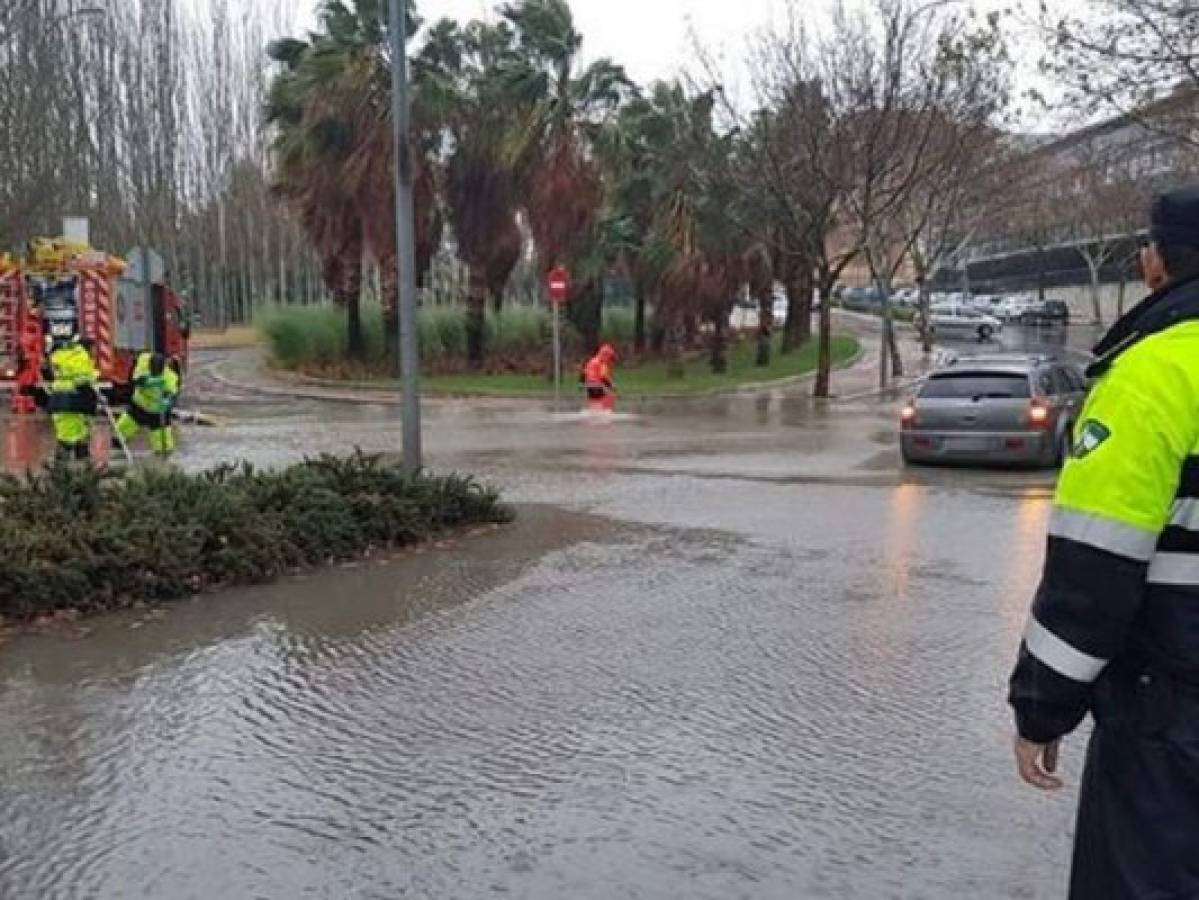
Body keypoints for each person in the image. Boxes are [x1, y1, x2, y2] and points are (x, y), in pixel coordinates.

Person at [1008, 184, 1199, 898]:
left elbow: (1092, 572)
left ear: (1154, 265)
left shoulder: (1152, 375)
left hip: (1171, 724)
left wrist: (1041, 706)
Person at [43, 335, 99, 460]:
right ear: (87, 347)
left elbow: (50, 372)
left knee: (68, 433)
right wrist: (94, 395)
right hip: (74, 399)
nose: (95, 352)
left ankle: (67, 467)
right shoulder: (81, 357)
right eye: (93, 348)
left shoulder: (62, 355)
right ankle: (76, 468)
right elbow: (83, 380)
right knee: (73, 436)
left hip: (59, 398)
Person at [115, 351, 179, 456]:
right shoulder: (143, 361)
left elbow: (171, 393)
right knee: (120, 431)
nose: (154, 373)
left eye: (157, 372)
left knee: (164, 446)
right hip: (139, 406)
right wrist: (147, 381)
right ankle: (116, 451)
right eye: (152, 370)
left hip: (157, 411)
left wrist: (167, 400)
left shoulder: (170, 376)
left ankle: (163, 461)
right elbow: (136, 379)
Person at [581, 343, 618, 412]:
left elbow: (584, 373)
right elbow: (603, 375)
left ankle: (592, 414)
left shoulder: (591, 361)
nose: (610, 360)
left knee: (594, 402)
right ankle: (604, 415)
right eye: (610, 357)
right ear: (606, 355)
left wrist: (582, 384)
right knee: (610, 397)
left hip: (589, 385)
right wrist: (612, 385)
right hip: (597, 385)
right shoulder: (602, 363)